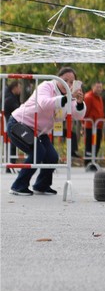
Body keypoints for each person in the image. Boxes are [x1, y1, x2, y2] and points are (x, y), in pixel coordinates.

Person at [7, 67, 85, 196]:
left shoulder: (70, 97)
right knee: (38, 151)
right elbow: (44, 103)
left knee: (52, 156)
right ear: (58, 78)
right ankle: (18, 186)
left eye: (72, 82)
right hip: (18, 124)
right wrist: (67, 97)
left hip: (39, 131)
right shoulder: (46, 86)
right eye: (65, 80)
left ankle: (41, 186)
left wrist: (80, 103)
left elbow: (78, 115)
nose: (68, 84)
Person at [82, 81, 105, 170]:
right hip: (90, 125)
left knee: (97, 145)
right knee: (89, 145)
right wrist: (83, 123)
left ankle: (93, 162)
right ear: (93, 87)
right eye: (97, 87)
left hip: (98, 126)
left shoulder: (99, 98)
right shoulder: (88, 97)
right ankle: (88, 163)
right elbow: (85, 112)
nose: (99, 89)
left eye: (100, 87)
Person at [3, 79, 23, 173]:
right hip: (11, 125)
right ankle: (10, 165)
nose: (20, 90)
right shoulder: (10, 99)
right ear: (14, 88)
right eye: (19, 87)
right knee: (13, 144)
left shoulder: (12, 97)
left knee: (13, 144)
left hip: (12, 125)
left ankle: (11, 165)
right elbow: (18, 109)